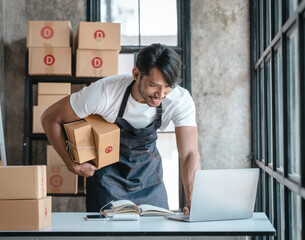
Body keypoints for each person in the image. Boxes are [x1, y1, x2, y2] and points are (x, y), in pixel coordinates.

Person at [41, 43, 201, 214]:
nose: (160, 95)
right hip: (107, 179)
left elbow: (189, 154)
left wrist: (193, 198)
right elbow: (50, 118)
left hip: (149, 177)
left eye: (167, 87)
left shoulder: (180, 100)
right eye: (153, 85)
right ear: (136, 74)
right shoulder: (104, 93)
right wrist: (71, 163)